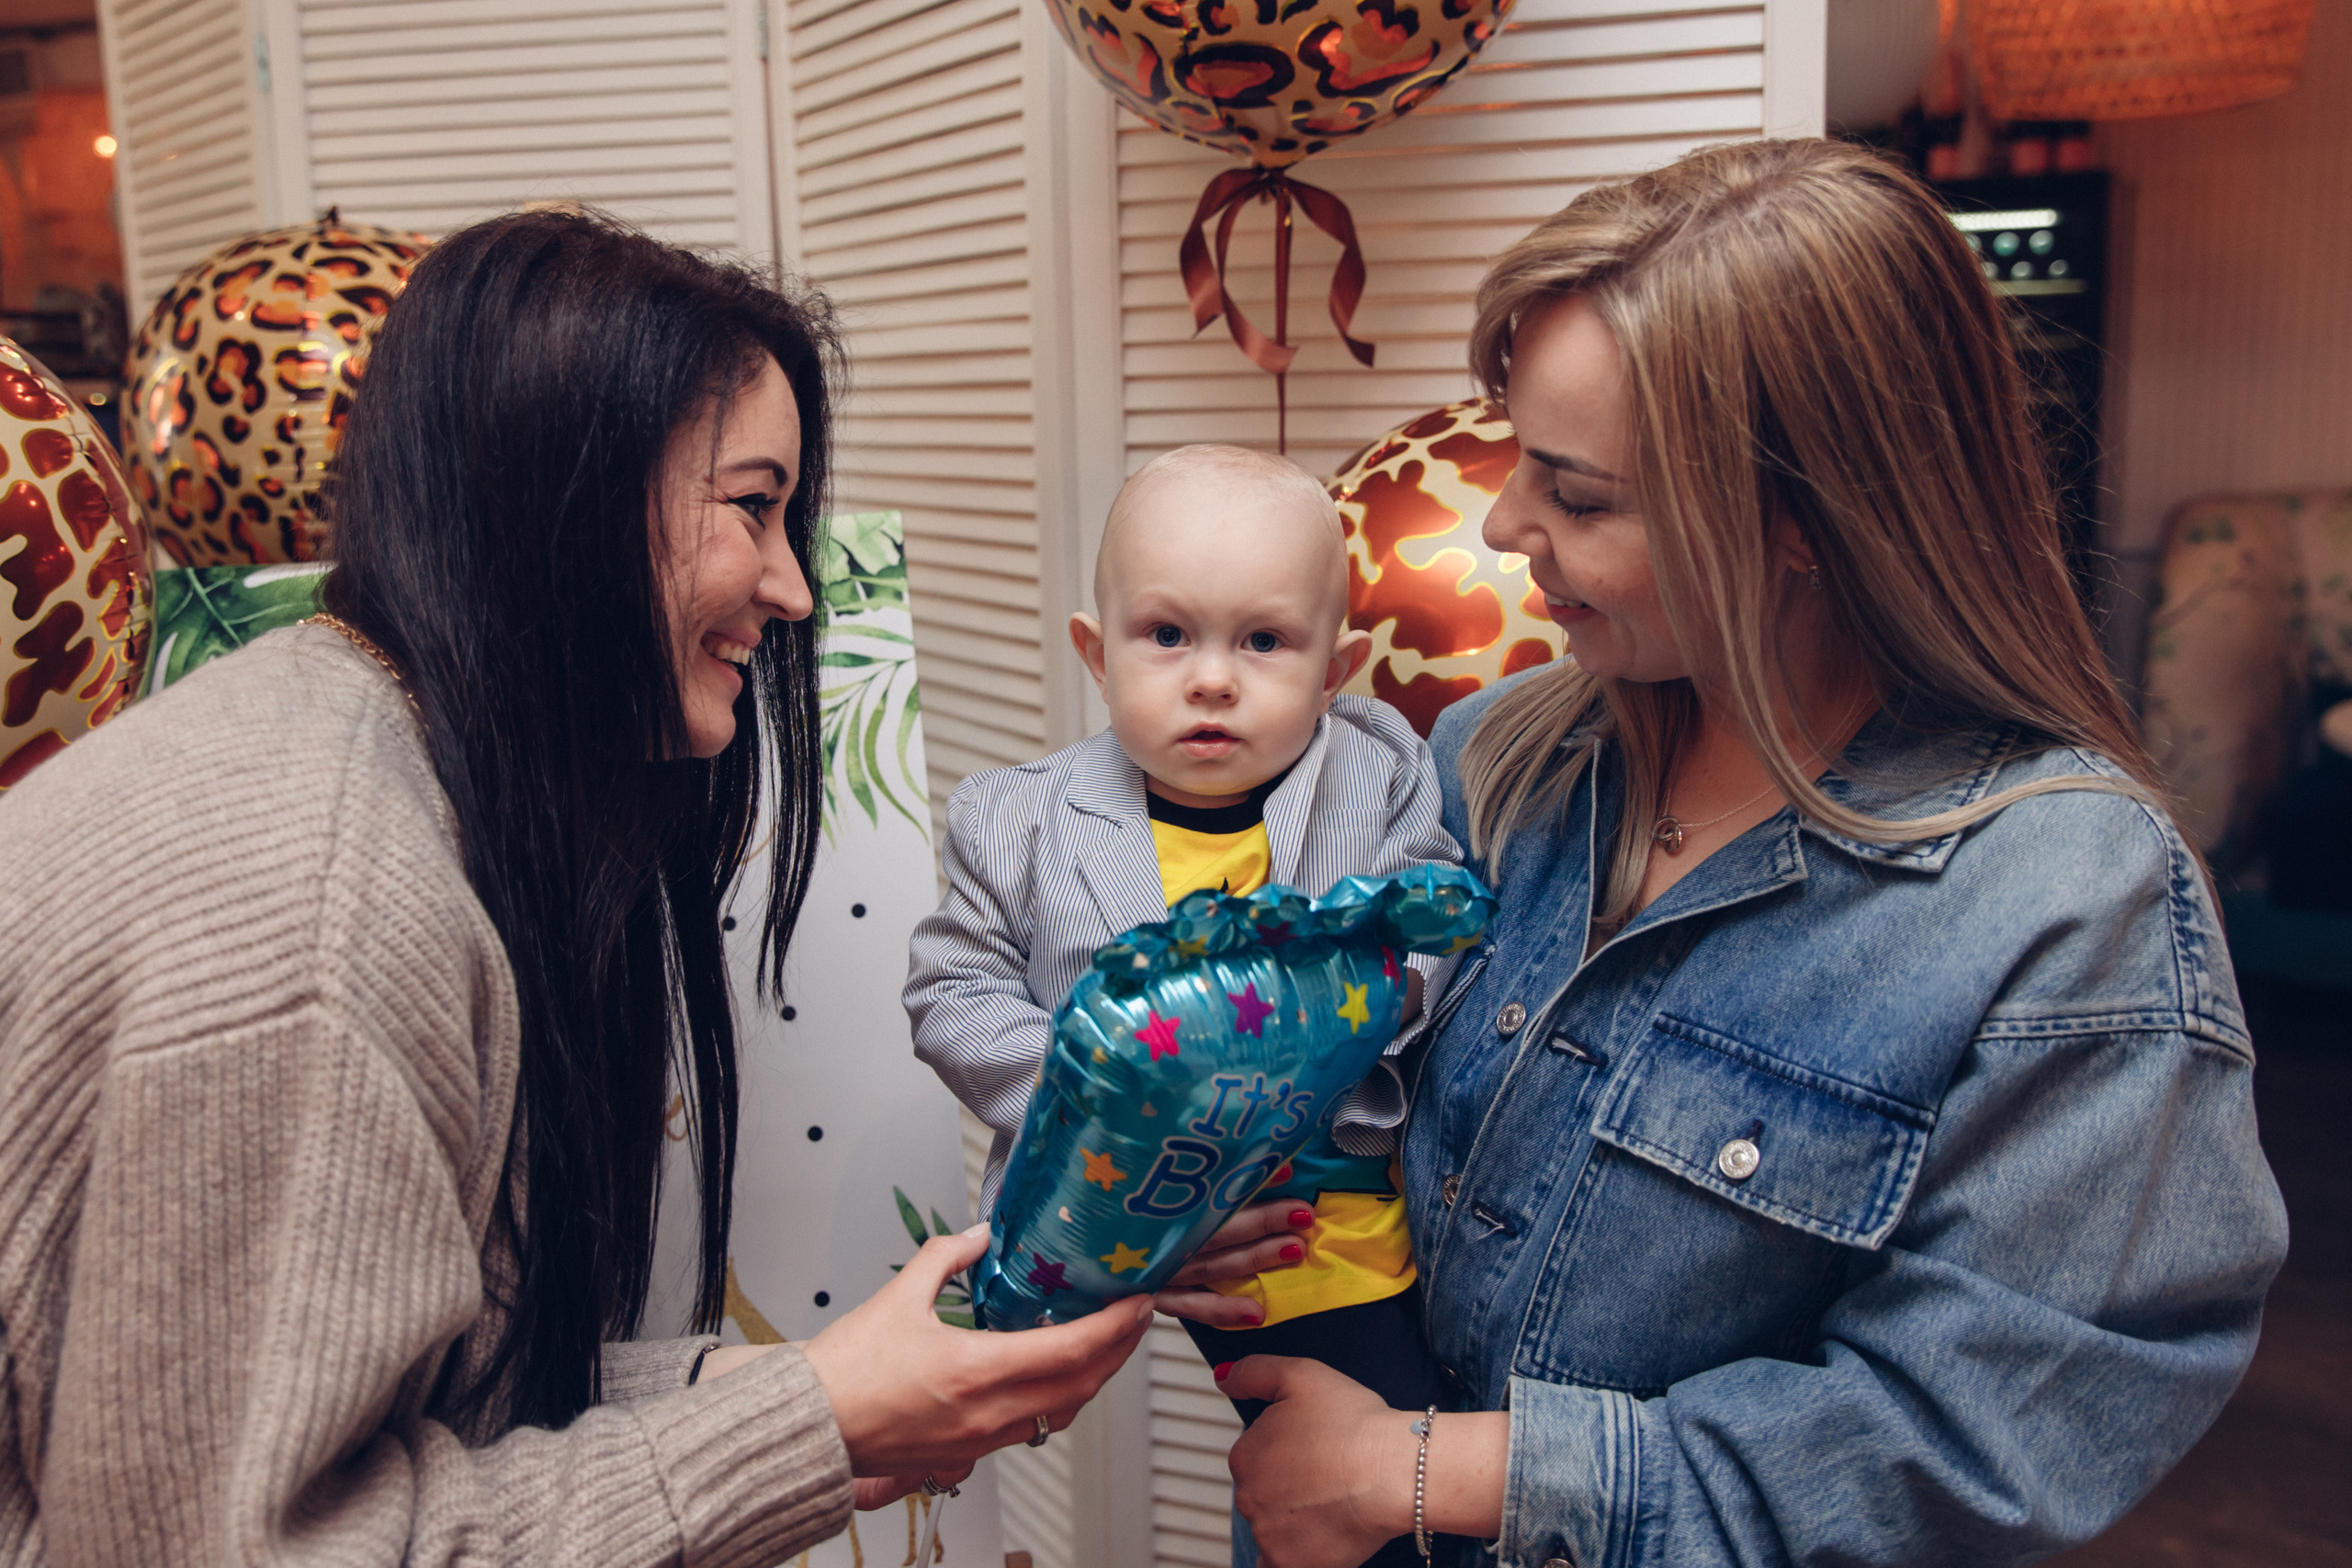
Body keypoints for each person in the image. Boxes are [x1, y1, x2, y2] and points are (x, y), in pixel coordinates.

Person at [1171, 138, 2290, 1567]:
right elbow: (1357, 1121)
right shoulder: (1495, 754)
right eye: (1516, 457)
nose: (1505, 525)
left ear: (1807, 528)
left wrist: (1442, 1470)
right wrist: (1217, 1193)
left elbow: (1987, 1433)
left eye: (1575, 497)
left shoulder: (2073, 904)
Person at [0, 209, 1149, 1567]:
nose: (791, 585)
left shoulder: (354, 740)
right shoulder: (325, 916)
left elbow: (385, 1415)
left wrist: (801, 1396)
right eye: (754, 505)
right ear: (568, 495)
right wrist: (820, 1419)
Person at [904, 446, 1458, 1559]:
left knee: (1356, 1482)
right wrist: (1091, 1082)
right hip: (1113, 1202)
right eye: (1167, 636)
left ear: (1337, 665)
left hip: (1326, 1212)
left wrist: (1348, 1002)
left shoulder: (1376, 767)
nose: (1212, 678)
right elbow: (948, 988)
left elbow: (1428, 930)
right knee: (974, 1388)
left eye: (1263, 641)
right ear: (1095, 654)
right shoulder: (1016, 821)